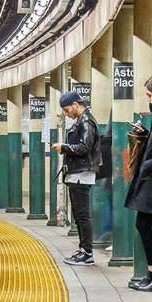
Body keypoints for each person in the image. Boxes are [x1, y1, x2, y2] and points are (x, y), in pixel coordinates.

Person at [52, 91, 101, 266]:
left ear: (75, 104)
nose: (67, 113)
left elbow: (84, 147)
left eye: (67, 110)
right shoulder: (81, 121)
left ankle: (87, 252)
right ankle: (83, 250)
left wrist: (63, 147)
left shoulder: (86, 122)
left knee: (82, 215)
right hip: (77, 172)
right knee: (79, 214)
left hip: (82, 173)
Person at [125, 75, 152, 291]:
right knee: (148, 224)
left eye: (149, 95)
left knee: (146, 224)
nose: (148, 101)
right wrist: (144, 134)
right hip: (150, 180)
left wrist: (146, 166)